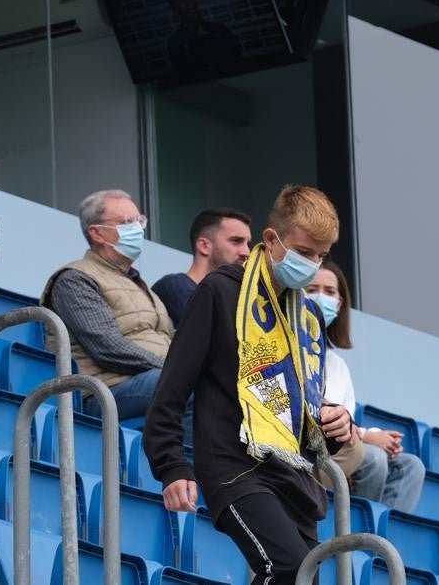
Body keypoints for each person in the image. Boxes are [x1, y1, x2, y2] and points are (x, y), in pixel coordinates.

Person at [143, 185, 354, 585]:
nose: (312, 265)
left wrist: (335, 425)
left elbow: (303, 413)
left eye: (321, 256)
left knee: (298, 579)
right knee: (288, 568)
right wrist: (172, 466)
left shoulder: (307, 316)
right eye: (305, 252)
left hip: (294, 476)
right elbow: (171, 389)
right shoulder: (220, 291)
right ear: (271, 239)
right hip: (235, 467)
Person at [41, 190, 179, 426]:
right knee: (188, 386)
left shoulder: (145, 289)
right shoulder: (75, 279)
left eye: (140, 221)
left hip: (155, 379)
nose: (137, 229)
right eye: (127, 223)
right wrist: (177, 370)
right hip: (107, 389)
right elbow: (109, 349)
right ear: (97, 233)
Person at [308, 261, 424, 512]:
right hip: (303, 452)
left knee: (411, 467)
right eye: (311, 289)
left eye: (329, 292)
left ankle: (381, 543)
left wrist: (362, 435)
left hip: (334, 449)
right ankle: (354, 538)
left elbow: (344, 422)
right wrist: (369, 436)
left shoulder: (338, 366)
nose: (320, 297)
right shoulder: (289, 344)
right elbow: (315, 414)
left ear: (340, 304)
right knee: (374, 458)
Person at [152, 208, 251, 327]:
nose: (247, 252)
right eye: (236, 241)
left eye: (248, 244)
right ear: (204, 246)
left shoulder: (236, 300)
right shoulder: (174, 286)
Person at [164, 0, 241, 78]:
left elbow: (237, 65)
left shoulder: (220, 30)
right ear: (173, 7)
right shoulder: (175, 42)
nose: (188, 3)